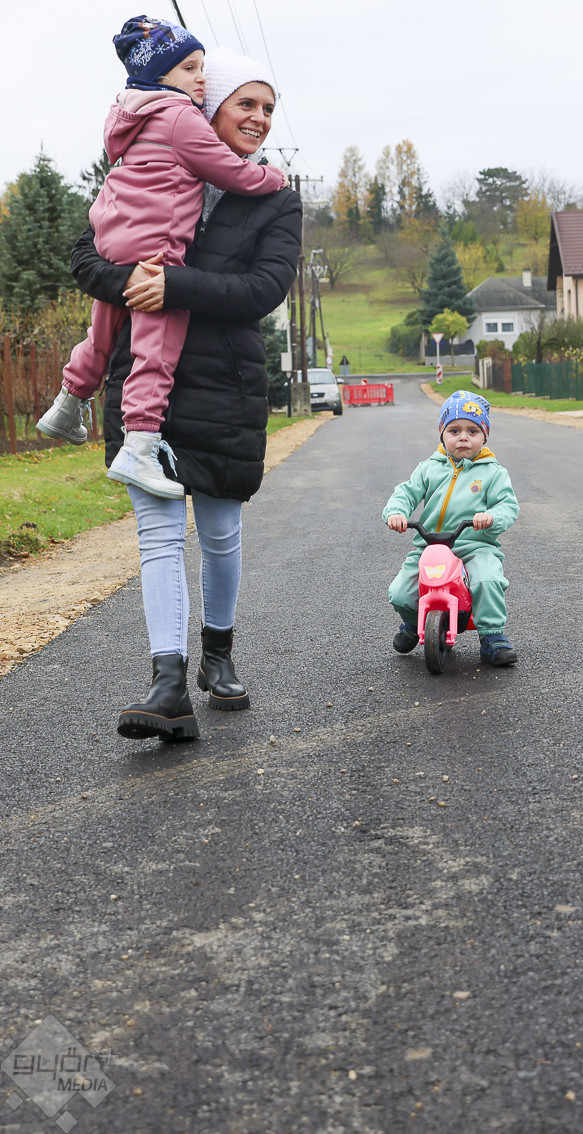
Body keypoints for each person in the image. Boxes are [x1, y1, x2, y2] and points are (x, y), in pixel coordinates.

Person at [70, 46, 302, 741]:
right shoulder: (145, 160)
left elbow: (263, 290)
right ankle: (167, 681)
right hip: (144, 387)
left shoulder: (273, 196)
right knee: (158, 535)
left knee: (220, 534)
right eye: (246, 104)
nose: (259, 118)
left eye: (268, 108)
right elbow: (87, 255)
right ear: (209, 106)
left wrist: (174, 285)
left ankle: (217, 656)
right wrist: (132, 283)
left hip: (224, 388)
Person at [37, 17, 286, 500]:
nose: (199, 78)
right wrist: (273, 177)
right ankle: (140, 445)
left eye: (202, 69)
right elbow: (233, 173)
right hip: (155, 251)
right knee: (155, 348)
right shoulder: (182, 118)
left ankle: (67, 404)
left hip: (115, 239)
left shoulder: (133, 113)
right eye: (190, 68)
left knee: (100, 334)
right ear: (161, 74)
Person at [383, 392, 520, 666]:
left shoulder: (493, 472)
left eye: (473, 431)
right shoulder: (429, 468)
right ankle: (414, 622)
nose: (463, 438)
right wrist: (396, 512)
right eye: (454, 431)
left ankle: (492, 636)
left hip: (474, 544)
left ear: (484, 436)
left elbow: (507, 505)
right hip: (430, 546)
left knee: (487, 579)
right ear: (442, 434)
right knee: (400, 592)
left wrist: (491, 517)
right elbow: (407, 492)